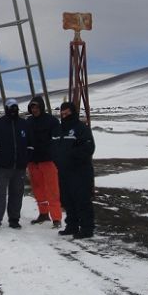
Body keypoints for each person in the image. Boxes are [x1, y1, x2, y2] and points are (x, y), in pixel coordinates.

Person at [52, 101, 96, 239]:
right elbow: (53, 146)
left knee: (82, 200)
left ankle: (87, 228)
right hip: (64, 172)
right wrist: (57, 158)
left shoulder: (81, 128)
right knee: (67, 200)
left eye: (67, 113)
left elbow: (88, 147)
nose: (64, 116)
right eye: (62, 113)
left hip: (80, 171)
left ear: (73, 113)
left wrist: (71, 156)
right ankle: (72, 225)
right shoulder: (58, 129)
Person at [0, 98, 30, 230]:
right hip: (3, 168)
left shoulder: (24, 124)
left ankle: (14, 219)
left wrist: (26, 158)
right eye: (11, 108)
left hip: (19, 167)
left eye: (15, 108)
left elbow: (31, 144)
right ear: (6, 109)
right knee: (0, 194)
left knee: (17, 194)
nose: (13, 110)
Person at [25, 96, 63, 228]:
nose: (34, 109)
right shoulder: (28, 121)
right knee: (38, 189)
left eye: (36, 107)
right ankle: (43, 213)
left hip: (48, 161)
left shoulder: (51, 121)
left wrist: (53, 154)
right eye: (32, 107)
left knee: (52, 190)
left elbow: (57, 140)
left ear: (41, 107)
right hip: (33, 161)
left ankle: (56, 218)